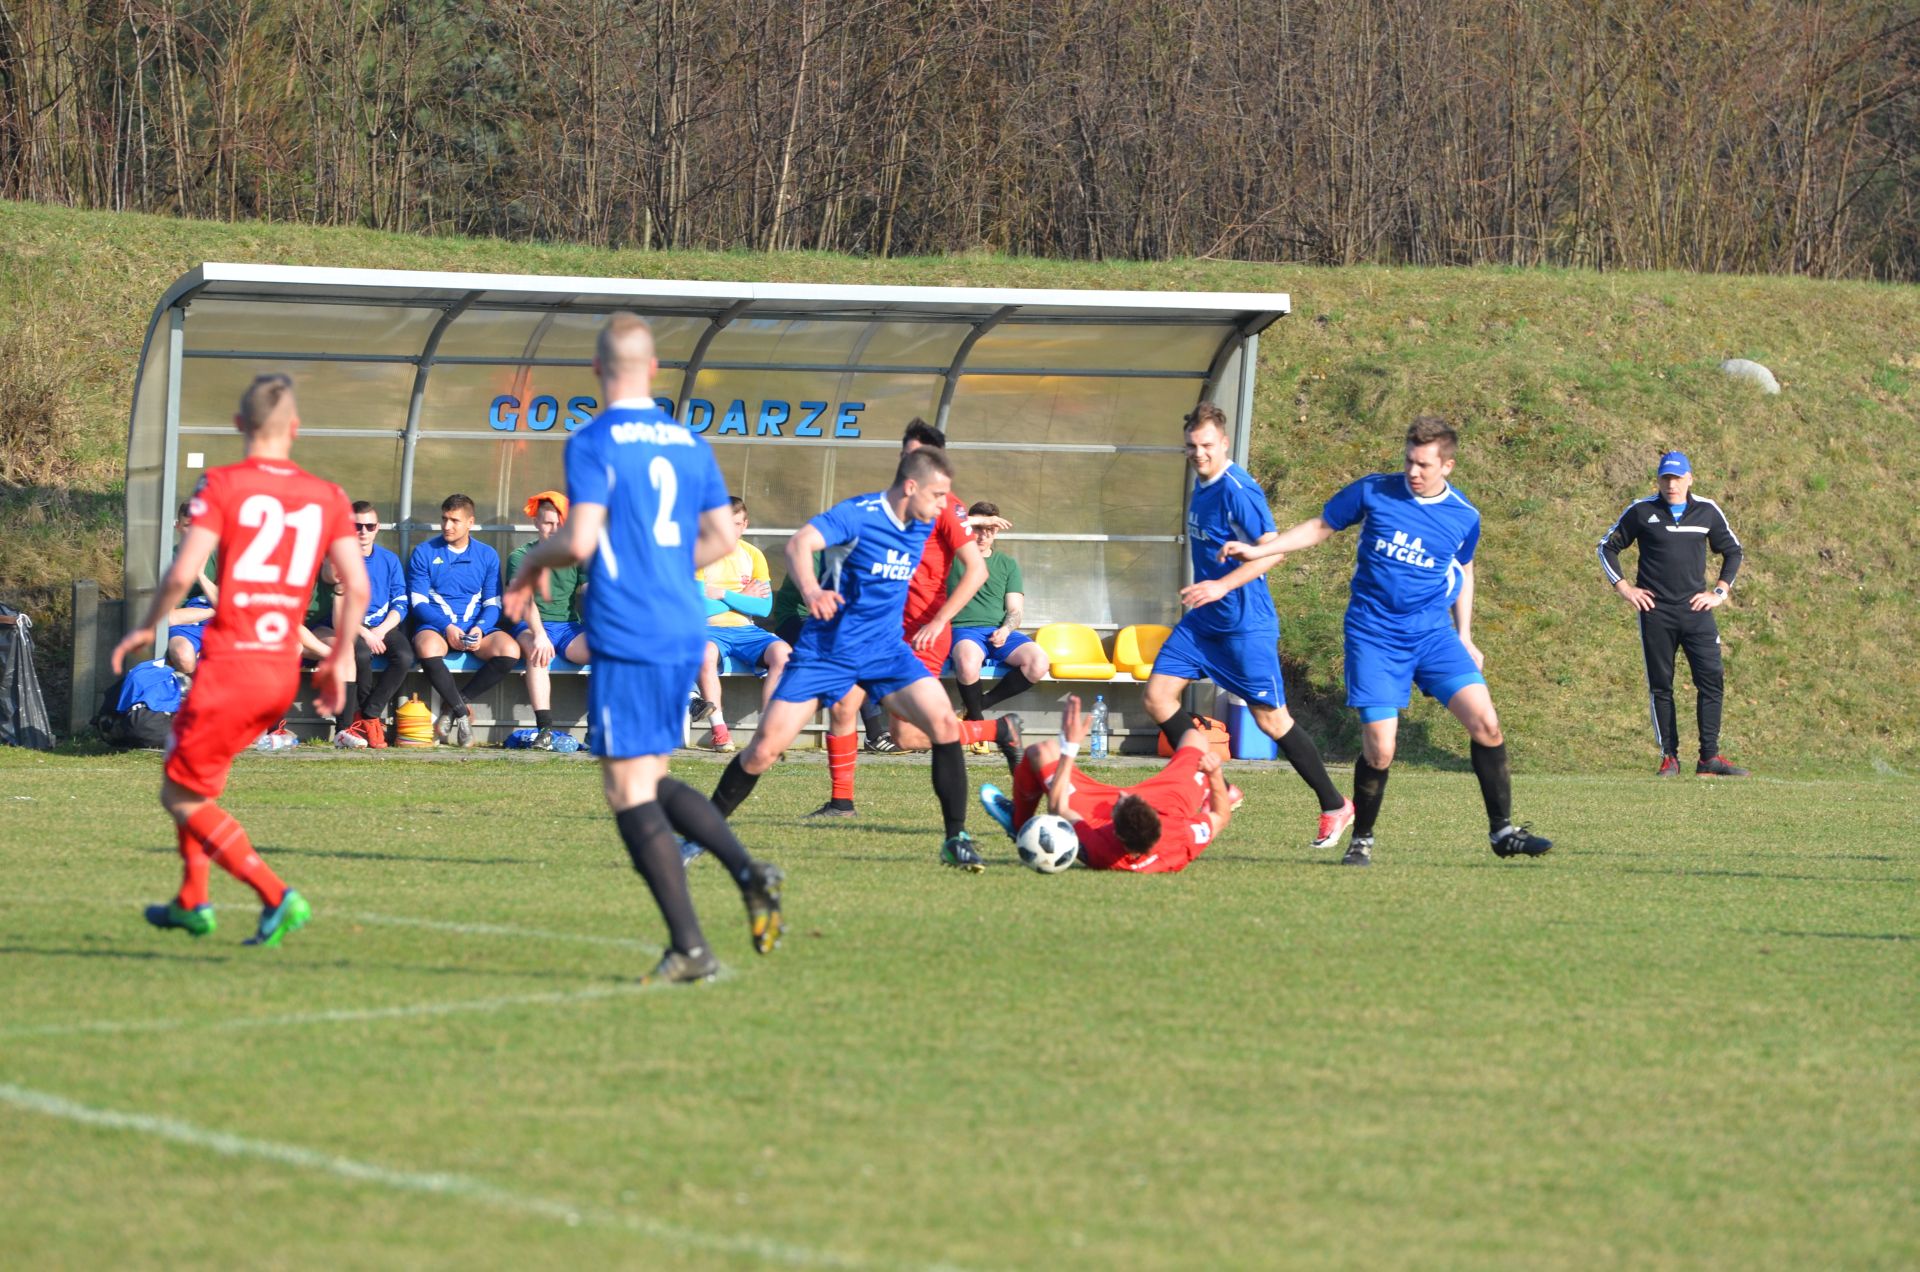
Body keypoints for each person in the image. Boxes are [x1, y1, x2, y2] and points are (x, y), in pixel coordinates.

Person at [503, 312, 784, 985]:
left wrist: (531, 562)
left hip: (629, 624)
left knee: (627, 790)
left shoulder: (594, 439)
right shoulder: (688, 441)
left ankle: (696, 938)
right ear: (654, 369)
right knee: (647, 778)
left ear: (598, 369)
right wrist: (665, 566)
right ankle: (740, 882)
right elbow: (722, 535)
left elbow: (578, 539)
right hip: (683, 621)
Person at [1220, 415, 1553, 865]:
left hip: (1433, 636)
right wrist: (1262, 549)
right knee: (1381, 749)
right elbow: (1320, 526)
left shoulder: (1464, 515)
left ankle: (1503, 832)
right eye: (1409, 461)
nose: (1413, 471)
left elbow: (1463, 568)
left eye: (1424, 465)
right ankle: (1362, 839)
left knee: (1486, 723)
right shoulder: (1374, 490)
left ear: (1447, 466)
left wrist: (1465, 635)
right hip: (1374, 636)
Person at [111, 373, 368, 945]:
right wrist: (335, 658)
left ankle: (276, 895)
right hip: (278, 672)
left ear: (238, 425)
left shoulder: (223, 484)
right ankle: (192, 901)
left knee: (178, 794)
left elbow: (183, 571)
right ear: (295, 428)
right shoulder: (328, 495)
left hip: (229, 667)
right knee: (190, 778)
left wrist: (146, 625)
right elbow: (358, 585)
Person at [707, 446, 1007, 871]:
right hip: (826, 653)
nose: (947, 505)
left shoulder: (926, 519)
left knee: (942, 724)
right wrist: (812, 590)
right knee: (764, 750)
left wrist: (972, 526)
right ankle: (700, 833)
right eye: (939, 495)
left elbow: (962, 538)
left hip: (886, 652)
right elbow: (799, 544)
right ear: (911, 486)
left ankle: (956, 838)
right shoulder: (857, 514)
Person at [1142, 403, 1353, 848]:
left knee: (1272, 721)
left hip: (1244, 625)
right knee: (1158, 698)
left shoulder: (1239, 490)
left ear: (1224, 443)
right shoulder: (1200, 484)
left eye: (1206, 446)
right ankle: (1217, 786)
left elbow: (1275, 550)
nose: (1198, 454)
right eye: (1191, 446)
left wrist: (1222, 586)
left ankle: (1335, 804)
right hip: (1204, 623)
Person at [806, 419, 1012, 818]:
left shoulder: (947, 505)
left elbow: (977, 570)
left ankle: (997, 730)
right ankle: (841, 802)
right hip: (878, 628)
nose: (907, 462)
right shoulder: (890, 503)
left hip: (921, 634)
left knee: (905, 735)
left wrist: (939, 621)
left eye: (915, 455)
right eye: (904, 454)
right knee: (843, 705)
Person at [1597, 451, 1748, 777]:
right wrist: (1625, 589)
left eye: (1677, 478)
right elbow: (1607, 547)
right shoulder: (1642, 511)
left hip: (1696, 612)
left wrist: (1719, 593)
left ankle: (1709, 759)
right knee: (1661, 686)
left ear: (1689, 479)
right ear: (1658, 480)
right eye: (1666, 478)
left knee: (1711, 680)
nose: (1671, 485)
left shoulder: (1706, 511)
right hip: (1656, 612)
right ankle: (1670, 758)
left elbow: (1733, 551)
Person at [980, 694, 1234, 873]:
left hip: (1106, 810)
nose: (1122, 793)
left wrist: (1069, 748)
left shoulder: (1099, 847)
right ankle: (1201, 792)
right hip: (1169, 806)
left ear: (1115, 832)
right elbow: (1221, 817)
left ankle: (1018, 824)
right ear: (1155, 820)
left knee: (1042, 751)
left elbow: (1058, 808)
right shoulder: (1181, 836)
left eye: (1119, 803)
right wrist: (1213, 774)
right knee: (1196, 739)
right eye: (1130, 798)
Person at [407, 493, 517, 747]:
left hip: (474, 628)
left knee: (510, 650)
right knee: (427, 647)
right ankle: (462, 713)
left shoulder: (487, 555)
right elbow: (418, 603)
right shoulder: (424, 552)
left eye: (454, 520)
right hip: (437, 627)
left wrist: (480, 628)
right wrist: (447, 627)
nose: (447, 526)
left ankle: (453, 705)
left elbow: (493, 603)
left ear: (470, 522)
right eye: (444, 519)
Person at [691, 496, 790, 753]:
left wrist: (722, 594)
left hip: (746, 630)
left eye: (736, 524)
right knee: (705, 653)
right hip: (708, 630)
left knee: (783, 653)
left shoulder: (753, 554)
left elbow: (763, 607)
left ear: (744, 525)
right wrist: (743, 597)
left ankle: (767, 732)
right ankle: (719, 732)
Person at [948, 500, 1050, 733]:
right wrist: (972, 522)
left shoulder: (1007, 563)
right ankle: (978, 727)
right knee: (967, 662)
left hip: (1000, 632)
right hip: (964, 630)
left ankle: (979, 705)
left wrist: (1005, 629)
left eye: (990, 530)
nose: (984, 535)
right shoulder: (950, 556)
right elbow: (935, 526)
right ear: (968, 527)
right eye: (978, 528)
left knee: (1039, 662)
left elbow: (1015, 610)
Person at [318, 500, 411, 747]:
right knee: (360, 653)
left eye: (369, 526)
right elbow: (337, 610)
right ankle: (358, 722)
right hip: (349, 627)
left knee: (404, 656)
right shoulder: (338, 560)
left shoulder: (389, 560)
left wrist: (380, 630)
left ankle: (369, 713)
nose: (363, 531)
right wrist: (365, 633)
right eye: (356, 526)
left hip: (382, 626)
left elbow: (400, 601)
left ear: (377, 528)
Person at [507, 490, 591, 750]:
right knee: (537, 652)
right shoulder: (520, 556)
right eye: (547, 523)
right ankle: (544, 730)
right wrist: (540, 634)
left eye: (559, 523)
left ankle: (597, 730)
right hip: (531, 625)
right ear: (536, 523)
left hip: (568, 627)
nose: (554, 529)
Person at [163, 502, 219, 681]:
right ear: (178, 526)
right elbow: (170, 618)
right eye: (188, 526)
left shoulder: (218, 556)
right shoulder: (166, 560)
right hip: (186, 625)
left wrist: (200, 576)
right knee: (183, 656)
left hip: (217, 623)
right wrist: (213, 612)